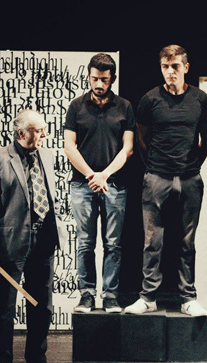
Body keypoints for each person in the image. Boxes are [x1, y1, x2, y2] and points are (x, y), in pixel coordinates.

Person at [123, 44, 207, 317]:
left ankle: (188, 298)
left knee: (187, 241)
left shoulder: (200, 100)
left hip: (189, 178)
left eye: (175, 66)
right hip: (156, 178)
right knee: (152, 241)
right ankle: (148, 297)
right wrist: (153, 166)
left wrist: (193, 164)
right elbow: (141, 139)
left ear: (186, 67)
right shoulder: (150, 99)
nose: (170, 72)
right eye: (165, 67)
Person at [0, 109, 67, 363]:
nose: (43, 134)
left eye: (43, 129)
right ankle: (0, 360)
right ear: (21, 133)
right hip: (12, 242)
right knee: (6, 306)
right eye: (37, 130)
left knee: (42, 304)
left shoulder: (47, 155)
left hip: (44, 240)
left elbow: (50, 196)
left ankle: (37, 359)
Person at [64, 53, 135, 313]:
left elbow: (128, 148)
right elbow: (69, 146)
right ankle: (86, 295)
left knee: (113, 243)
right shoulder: (76, 106)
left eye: (104, 80)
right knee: (85, 242)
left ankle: (110, 295)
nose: (99, 84)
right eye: (94, 79)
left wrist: (104, 174)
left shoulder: (124, 106)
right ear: (88, 77)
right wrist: (92, 176)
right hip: (82, 185)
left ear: (112, 79)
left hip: (115, 184)